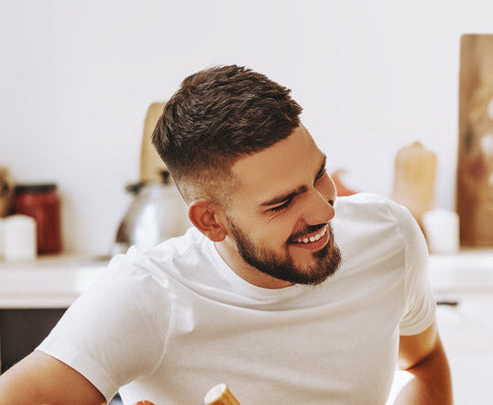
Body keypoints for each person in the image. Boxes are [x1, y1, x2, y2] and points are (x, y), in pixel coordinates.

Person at [0, 65, 453, 405]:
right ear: (210, 222)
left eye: (318, 175)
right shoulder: (149, 296)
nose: (322, 209)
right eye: (282, 203)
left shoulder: (388, 236)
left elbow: (422, 362)